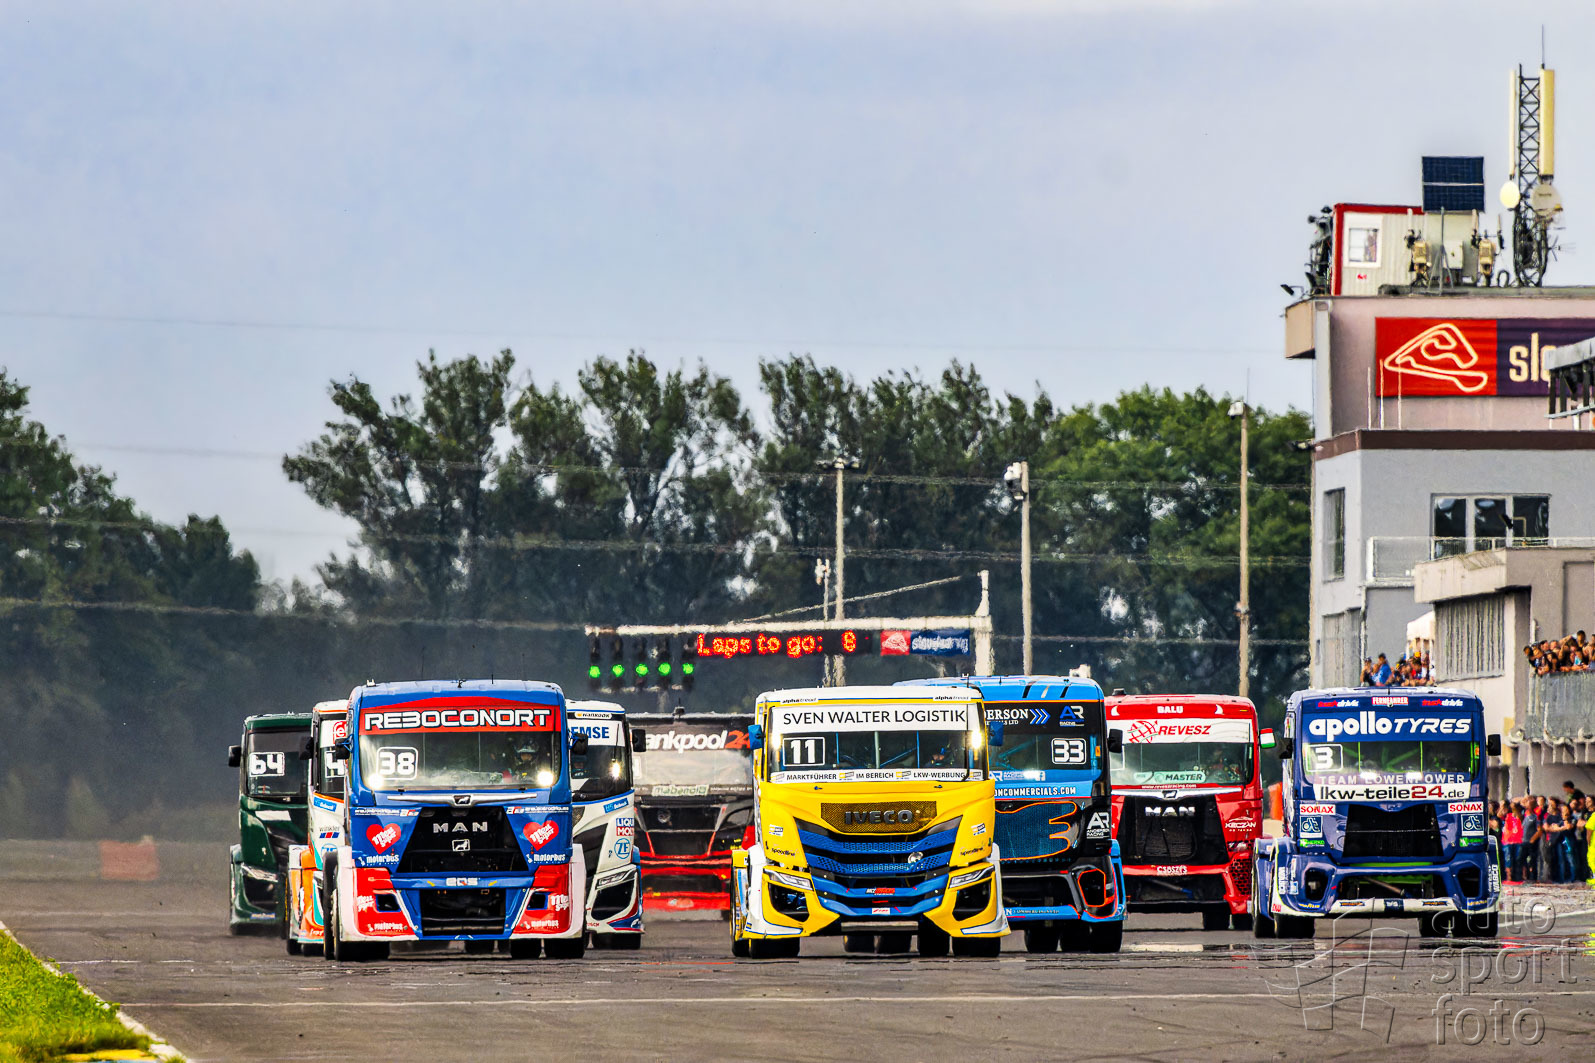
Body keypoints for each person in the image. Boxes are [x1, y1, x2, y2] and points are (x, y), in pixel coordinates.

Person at [1501, 800, 1524, 884]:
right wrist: (1503, 806)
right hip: (1507, 841)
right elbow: (1499, 815)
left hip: (1518, 840)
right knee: (1508, 859)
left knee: (1518, 859)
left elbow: (1520, 819)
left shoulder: (1520, 816)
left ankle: (1518, 877)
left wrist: (1516, 809)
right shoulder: (1507, 816)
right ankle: (1509, 877)